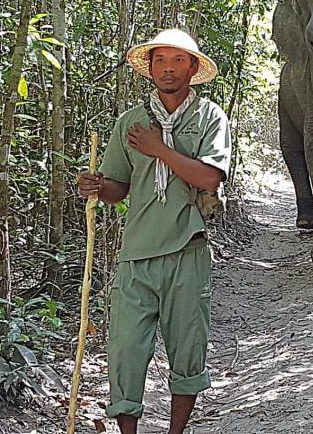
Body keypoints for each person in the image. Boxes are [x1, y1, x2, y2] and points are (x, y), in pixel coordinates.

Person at [77, 28, 231, 434]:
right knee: (125, 350)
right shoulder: (131, 122)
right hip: (137, 255)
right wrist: (97, 187)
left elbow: (209, 179)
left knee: (187, 352)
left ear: (193, 68)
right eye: (160, 60)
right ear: (149, 68)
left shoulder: (209, 117)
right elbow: (118, 188)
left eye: (178, 60)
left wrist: (160, 148)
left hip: (187, 251)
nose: (168, 69)